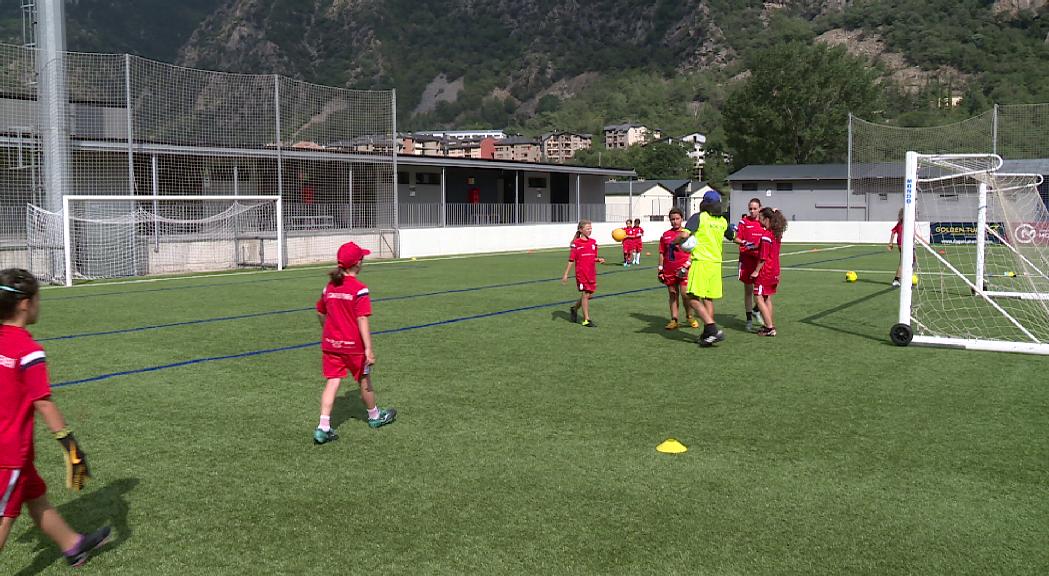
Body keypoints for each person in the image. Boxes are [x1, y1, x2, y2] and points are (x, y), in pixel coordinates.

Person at [0, 268, 111, 567]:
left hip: (14, 454)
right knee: (5, 517)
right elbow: (44, 404)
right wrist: (72, 449)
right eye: (38, 298)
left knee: (35, 498)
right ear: (26, 304)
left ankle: (72, 545)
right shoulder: (28, 351)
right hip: (10, 451)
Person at [313, 242, 396, 445]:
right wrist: (368, 348)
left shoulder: (329, 287)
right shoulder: (359, 289)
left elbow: (320, 311)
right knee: (365, 380)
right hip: (354, 347)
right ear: (358, 263)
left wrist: (327, 330)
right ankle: (375, 416)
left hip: (331, 344)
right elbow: (362, 319)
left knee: (332, 382)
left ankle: (323, 427)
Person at [681, 191, 734, 347]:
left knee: (691, 297)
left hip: (701, 262)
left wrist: (675, 242)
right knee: (708, 299)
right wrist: (747, 243)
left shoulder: (699, 217)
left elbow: (684, 235)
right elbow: (734, 237)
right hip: (716, 264)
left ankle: (712, 329)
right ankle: (707, 335)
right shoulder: (723, 221)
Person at [751, 208, 788, 337]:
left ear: (766, 219)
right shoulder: (776, 234)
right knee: (766, 297)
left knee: (758, 297)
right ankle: (768, 324)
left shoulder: (767, 236)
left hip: (765, 271)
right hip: (775, 270)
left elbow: (763, 257)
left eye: (760, 217)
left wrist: (756, 271)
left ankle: (770, 328)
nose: (758, 219)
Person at [658, 208, 697, 329]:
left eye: (677, 219)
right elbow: (661, 253)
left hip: (684, 269)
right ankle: (674, 319)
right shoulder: (665, 235)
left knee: (685, 294)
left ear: (682, 219)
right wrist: (660, 269)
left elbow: (694, 251)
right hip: (669, 269)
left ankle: (689, 316)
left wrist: (687, 264)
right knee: (673, 294)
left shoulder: (687, 234)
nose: (675, 221)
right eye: (672, 219)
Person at [562, 219, 605, 327]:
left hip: (591, 273)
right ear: (581, 230)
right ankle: (587, 320)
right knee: (585, 294)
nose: (590, 230)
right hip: (581, 273)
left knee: (589, 295)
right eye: (587, 228)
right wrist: (566, 274)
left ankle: (574, 308)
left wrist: (598, 259)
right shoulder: (576, 244)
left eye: (591, 228)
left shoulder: (593, 242)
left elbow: (592, 257)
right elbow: (571, 260)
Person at [735, 198, 764, 331]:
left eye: (755, 208)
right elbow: (736, 238)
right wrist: (746, 243)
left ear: (760, 208)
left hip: (760, 260)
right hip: (746, 259)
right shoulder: (744, 222)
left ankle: (756, 310)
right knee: (748, 290)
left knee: (763, 290)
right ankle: (749, 320)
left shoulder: (764, 222)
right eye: (750, 208)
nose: (752, 211)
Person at [889, 208, 904, 287]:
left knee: (910, 261)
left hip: (900, 244)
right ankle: (896, 279)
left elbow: (893, 232)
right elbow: (893, 232)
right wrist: (890, 243)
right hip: (903, 244)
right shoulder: (904, 223)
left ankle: (902, 278)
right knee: (903, 262)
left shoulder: (900, 223)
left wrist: (891, 243)